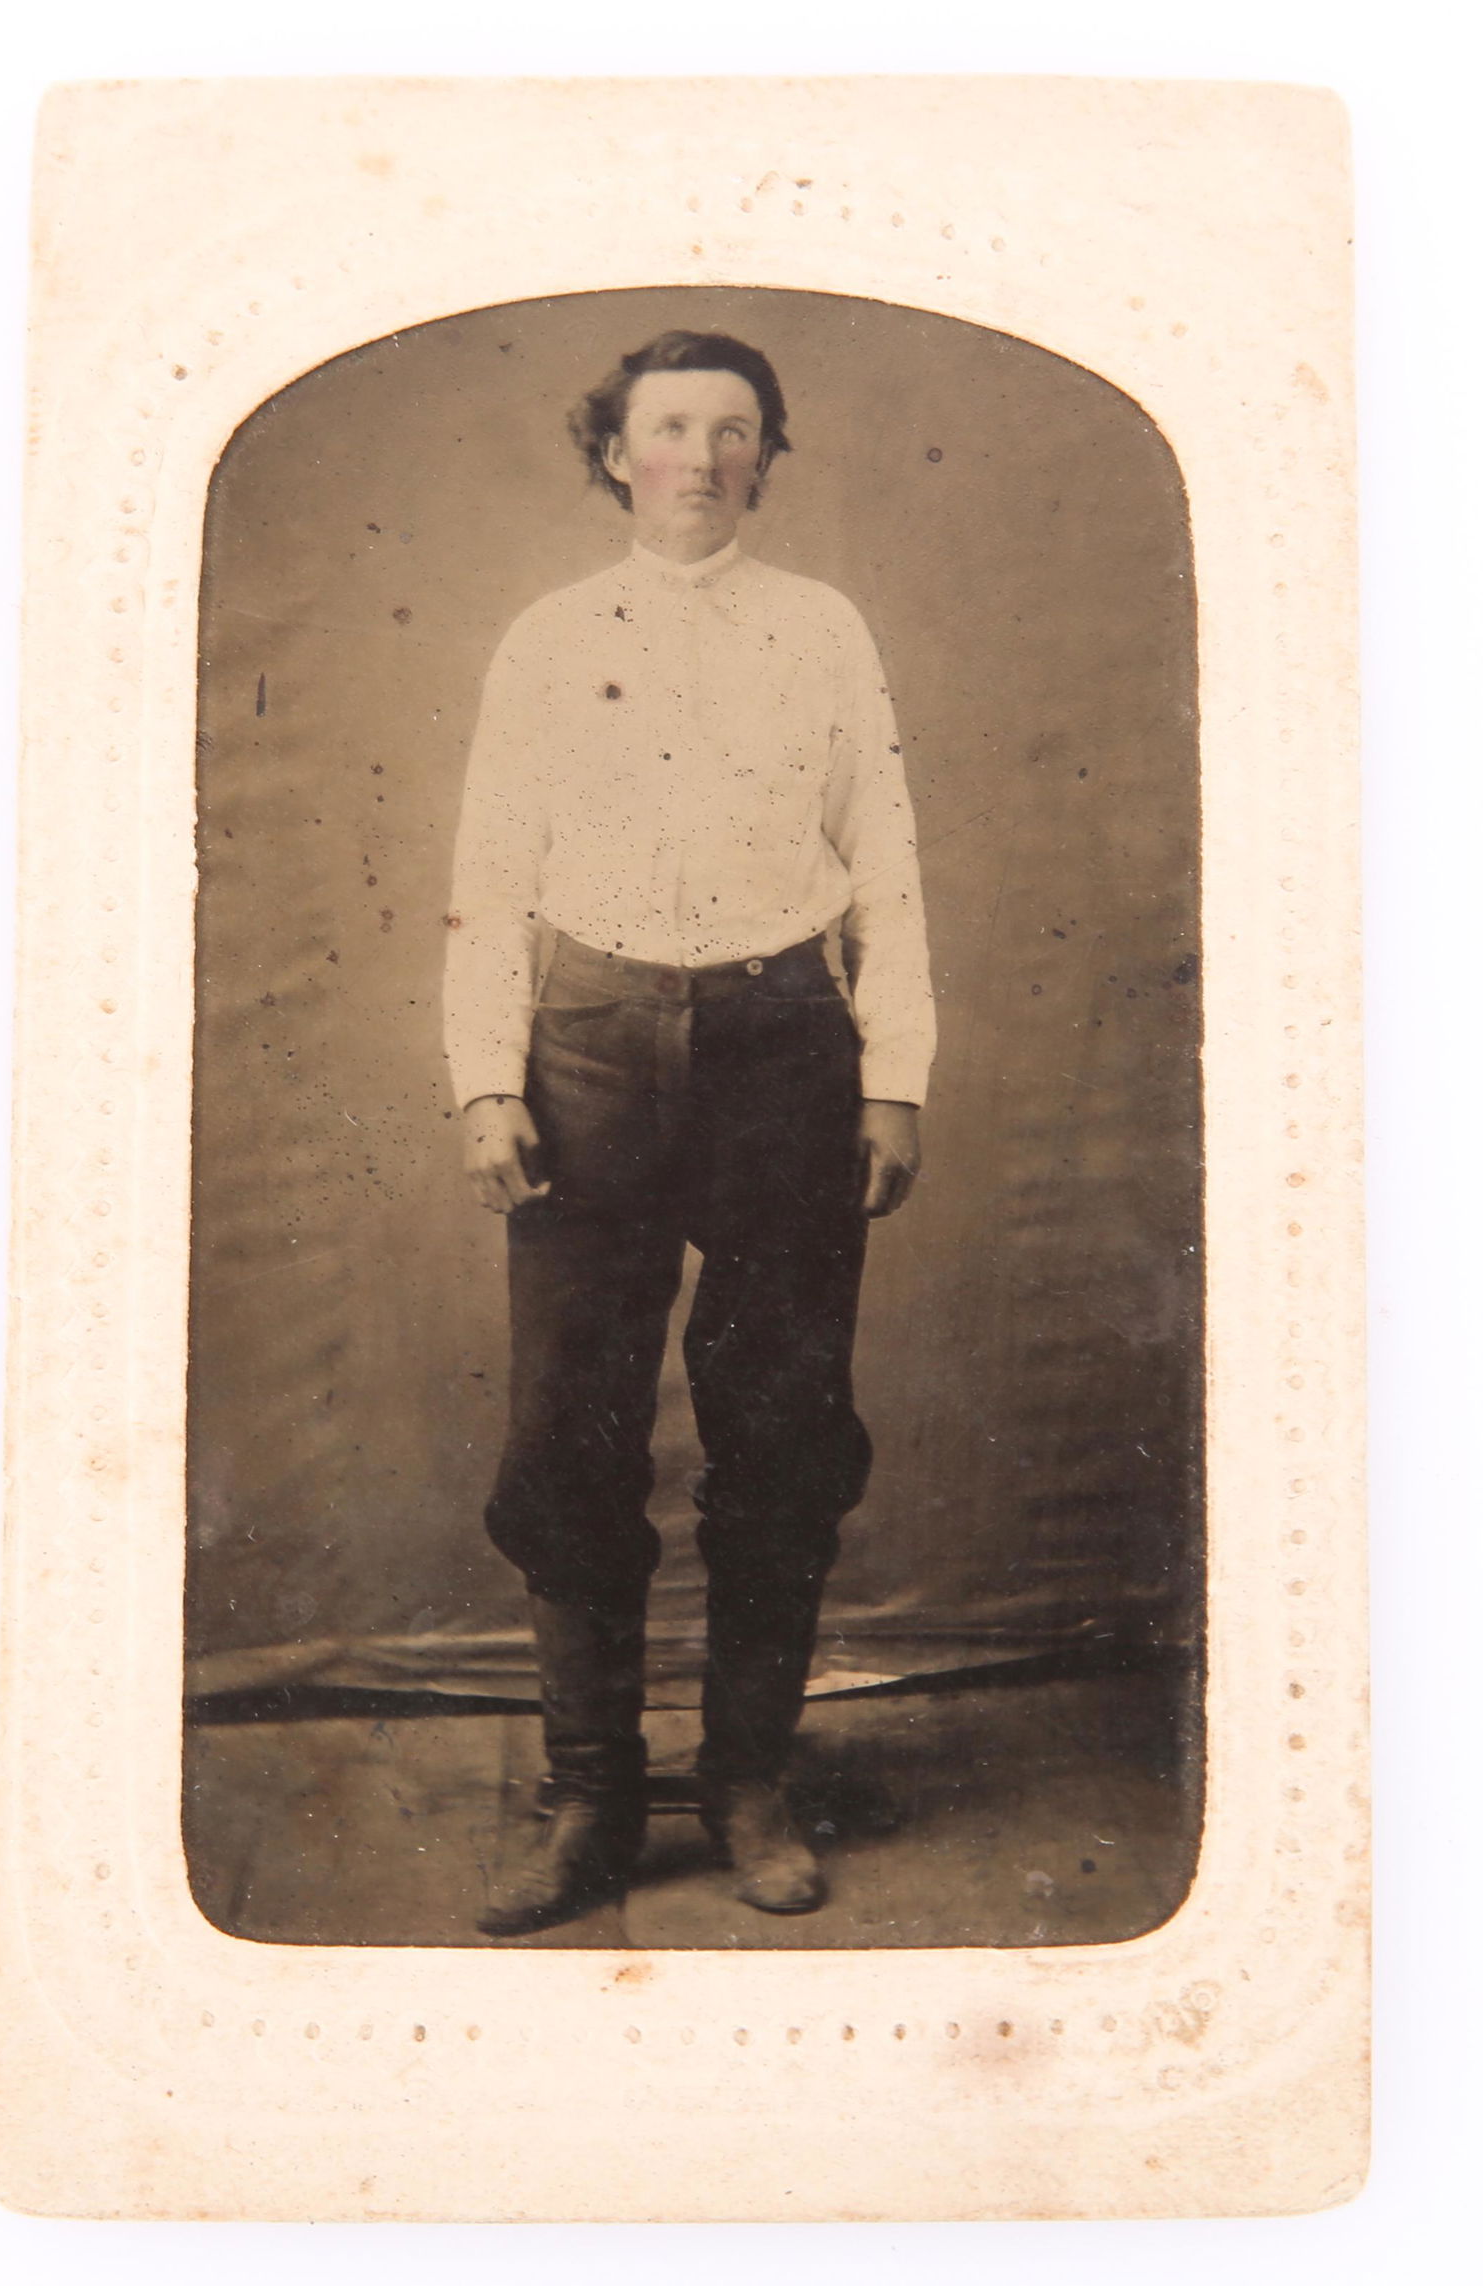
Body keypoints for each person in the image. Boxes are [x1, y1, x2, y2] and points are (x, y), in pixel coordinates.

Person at [442, 328, 935, 1936]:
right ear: (616, 450)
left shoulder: (824, 628)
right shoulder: (548, 635)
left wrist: (895, 1073)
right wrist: (483, 1078)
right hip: (585, 1047)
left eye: (738, 429)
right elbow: (489, 867)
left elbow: (887, 859)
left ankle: (748, 1781)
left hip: (786, 1044)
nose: (705, 455)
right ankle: (588, 1797)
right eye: (672, 425)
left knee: (781, 1427)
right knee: (570, 1431)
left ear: (767, 456)